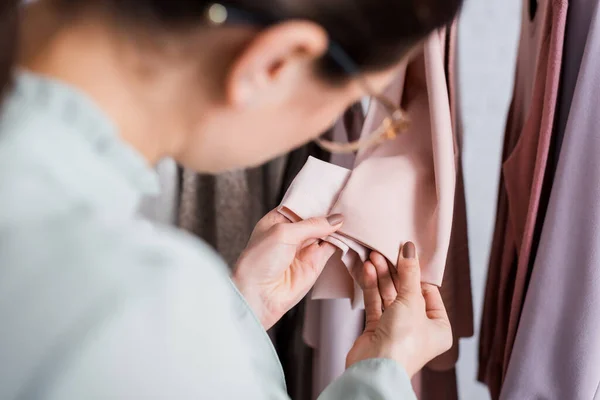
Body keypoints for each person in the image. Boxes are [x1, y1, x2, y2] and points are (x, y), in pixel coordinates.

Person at [0, 0, 462, 399]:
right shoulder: (136, 301)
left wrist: (235, 313)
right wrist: (384, 374)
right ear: (275, 64)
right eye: (359, 97)